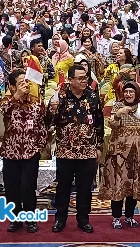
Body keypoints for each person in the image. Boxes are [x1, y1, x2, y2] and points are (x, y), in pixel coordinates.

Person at [48, 64, 103, 234]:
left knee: (85, 188)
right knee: (63, 187)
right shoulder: (61, 96)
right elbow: (48, 122)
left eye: (85, 77)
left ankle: (83, 219)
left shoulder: (93, 97)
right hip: (65, 151)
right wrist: (52, 109)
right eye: (80, 78)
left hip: (87, 152)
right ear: (70, 80)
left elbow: (99, 123)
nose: (84, 80)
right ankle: (60, 219)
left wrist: (99, 146)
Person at [98, 82, 140, 229]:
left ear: (137, 93)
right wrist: (118, 114)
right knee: (118, 186)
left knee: (134, 188)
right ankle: (116, 217)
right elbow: (112, 126)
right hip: (119, 155)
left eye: (131, 92)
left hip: (139, 155)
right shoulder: (117, 106)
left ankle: (129, 216)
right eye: (126, 91)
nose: (128, 94)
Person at [0, 69, 48, 233]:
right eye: (21, 83)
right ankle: (15, 219)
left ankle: (30, 219)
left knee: (28, 187)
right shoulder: (6, 102)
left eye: (26, 82)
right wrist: (16, 97)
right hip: (11, 152)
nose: (25, 85)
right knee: (12, 188)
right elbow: (4, 111)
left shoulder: (37, 102)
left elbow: (42, 126)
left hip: (30, 153)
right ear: (12, 87)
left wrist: (39, 146)